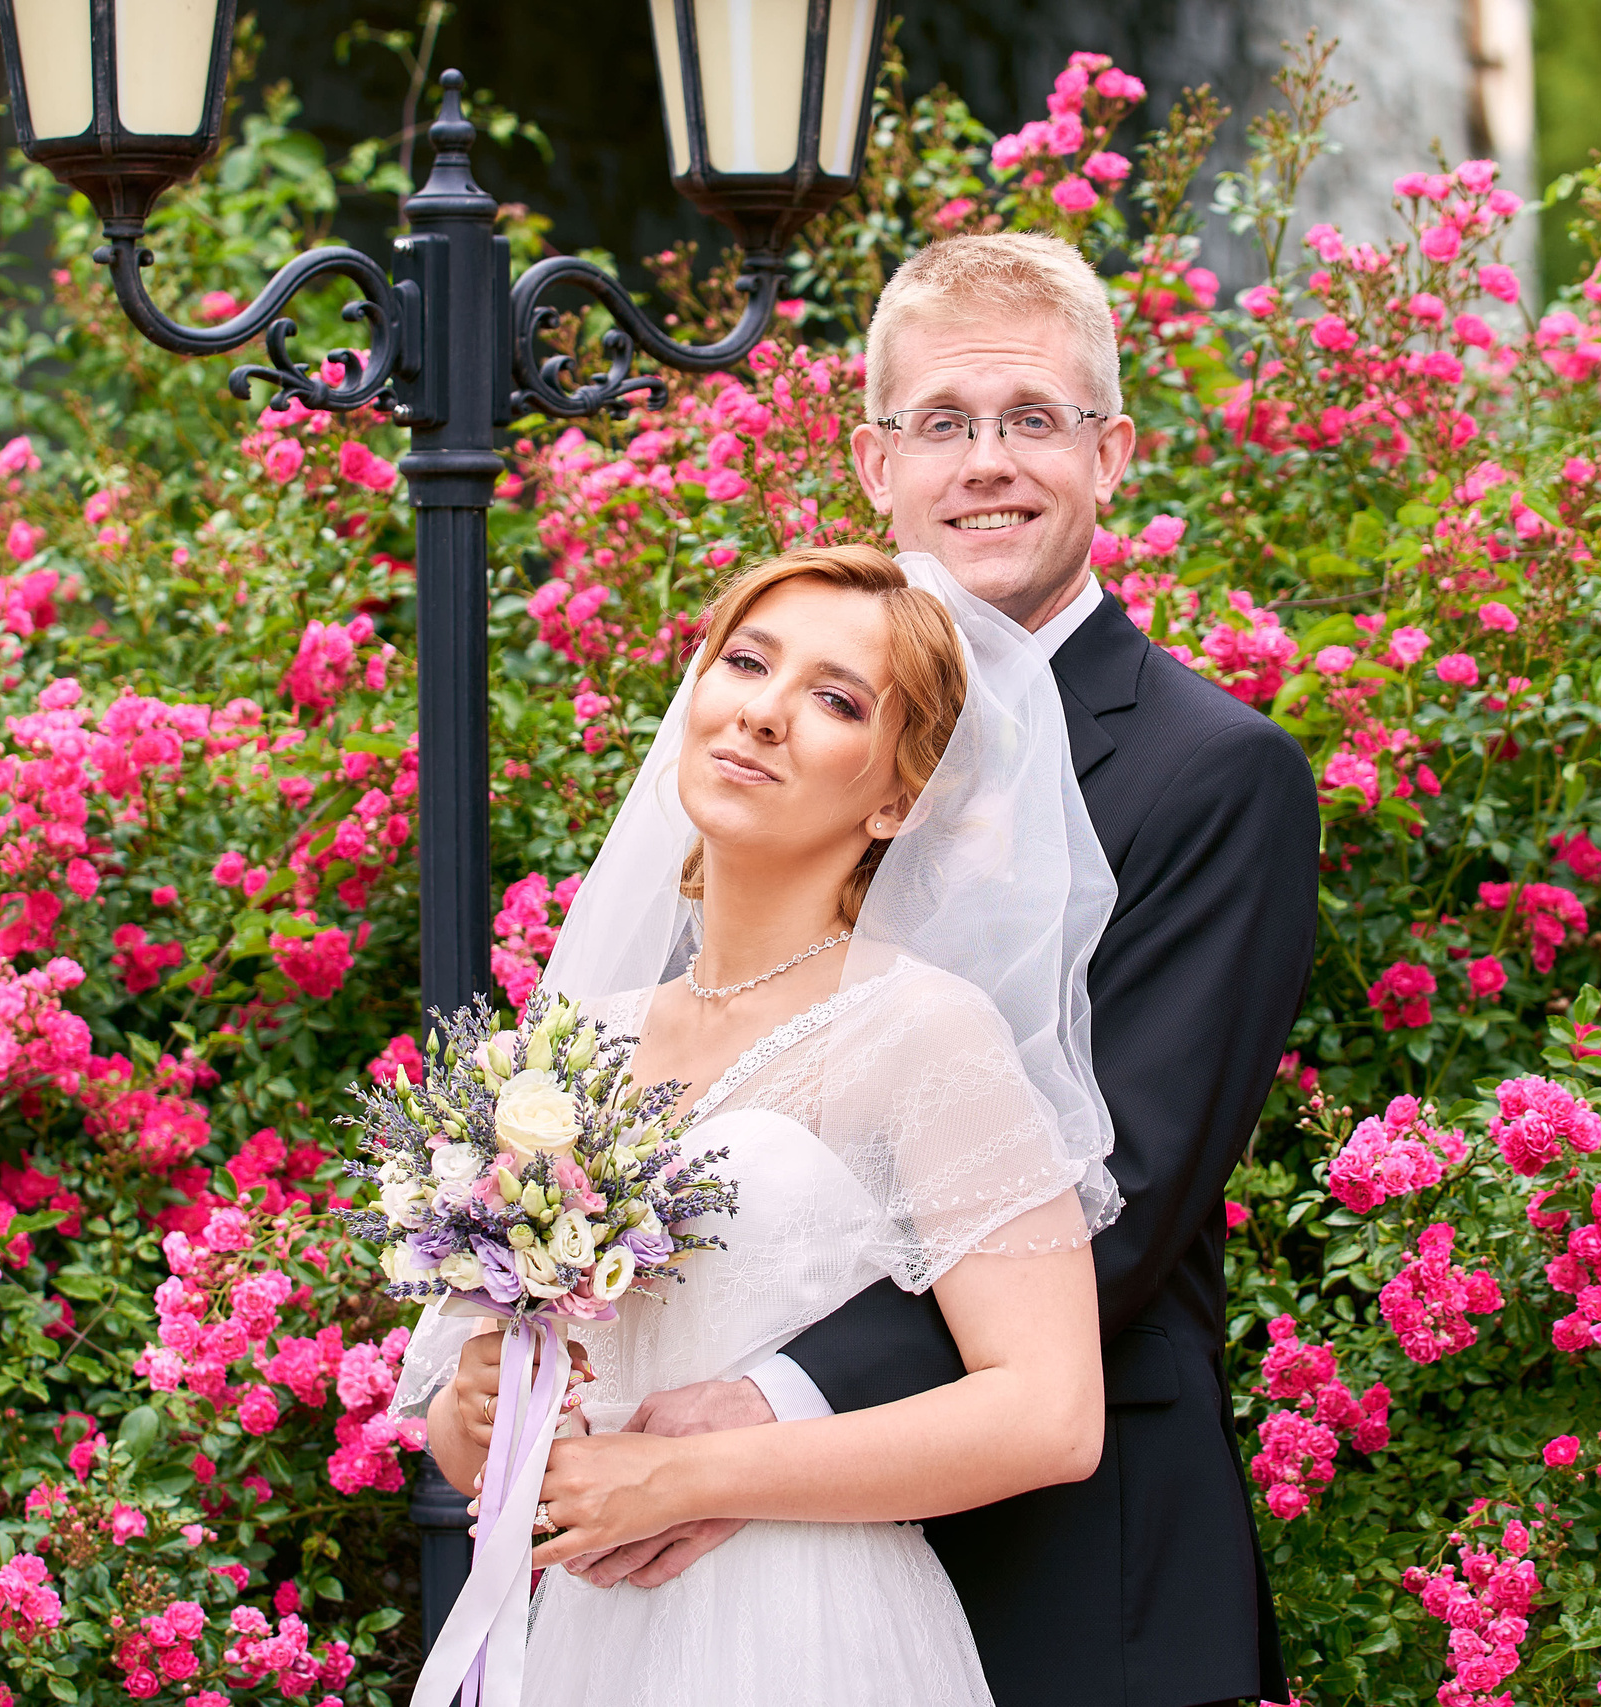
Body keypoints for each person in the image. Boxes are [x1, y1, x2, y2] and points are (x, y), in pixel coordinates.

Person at [547, 233, 1322, 1707]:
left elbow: (1125, 1191)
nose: (990, 464)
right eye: (944, 424)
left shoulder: (1213, 774)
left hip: (1064, 1563)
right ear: (874, 462)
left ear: (1113, 455)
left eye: (1034, 420)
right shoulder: (752, 758)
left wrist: (756, 1415)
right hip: (703, 1578)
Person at [397, 538, 1125, 1704]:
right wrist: (483, 1407)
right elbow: (459, 1431)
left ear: (896, 796)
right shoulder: (571, 1049)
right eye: (746, 663)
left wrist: (688, 1481)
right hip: (593, 1637)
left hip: (808, 1631)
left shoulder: (920, 1030)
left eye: (835, 699)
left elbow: (1048, 1414)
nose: (764, 715)